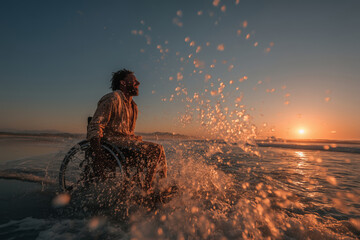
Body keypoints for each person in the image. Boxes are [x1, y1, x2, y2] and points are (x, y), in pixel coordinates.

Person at [87, 69, 167, 191]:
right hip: (112, 144)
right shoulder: (113, 99)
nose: (138, 83)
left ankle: (161, 187)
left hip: (125, 143)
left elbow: (129, 133)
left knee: (160, 153)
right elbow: (95, 126)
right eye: (134, 81)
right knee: (156, 149)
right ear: (123, 83)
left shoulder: (133, 106)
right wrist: (98, 155)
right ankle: (146, 190)